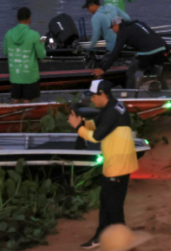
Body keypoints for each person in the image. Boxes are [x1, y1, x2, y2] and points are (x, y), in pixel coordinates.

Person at [68, 79, 138, 250]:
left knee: (113, 205)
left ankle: (124, 241)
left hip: (118, 164)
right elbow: (98, 125)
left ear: (103, 94)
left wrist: (78, 128)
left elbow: (96, 137)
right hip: (116, 162)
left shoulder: (112, 112)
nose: (92, 99)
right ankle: (101, 236)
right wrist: (85, 120)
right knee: (106, 201)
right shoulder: (113, 106)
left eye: (93, 96)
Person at [92, 17, 171, 88]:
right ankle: (164, 92)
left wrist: (103, 69)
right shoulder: (139, 24)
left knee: (132, 72)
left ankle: (130, 94)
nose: (113, 31)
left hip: (148, 52)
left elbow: (116, 52)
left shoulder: (122, 31)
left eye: (112, 28)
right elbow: (154, 35)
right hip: (161, 49)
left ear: (116, 25)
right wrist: (168, 48)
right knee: (156, 71)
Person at [2, 7, 46, 103]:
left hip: (15, 76)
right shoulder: (34, 35)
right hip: (30, 76)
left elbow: (5, 52)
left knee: (15, 101)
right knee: (28, 102)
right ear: (30, 19)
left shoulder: (8, 34)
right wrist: (42, 42)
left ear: (17, 19)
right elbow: (41, 55)